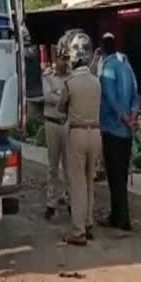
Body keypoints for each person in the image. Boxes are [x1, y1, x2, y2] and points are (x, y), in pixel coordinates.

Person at [58, 32, 101, 246]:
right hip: (96, 133)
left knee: (77, 185)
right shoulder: (97, 82)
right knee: (89, 182)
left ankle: (78, 230)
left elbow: (60, 107)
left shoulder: (69, 83)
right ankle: (89, 222)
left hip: (76, 133)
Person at [98, 32, 140, 231]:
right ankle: (119, 216)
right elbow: (135, 95)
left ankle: (120, 219)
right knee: (121, 176)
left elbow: (110, 96)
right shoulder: (127, 66)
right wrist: (132, 117)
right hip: (127, 132)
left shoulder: (107, 67)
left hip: (112, 129)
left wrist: (123, 118)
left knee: (115, 177)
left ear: (103, 49)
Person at [42, 46, 70, 220]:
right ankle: (51, 202)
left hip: (66, 124)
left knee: (69, 167)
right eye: (61, 58)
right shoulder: (48, 78)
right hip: (51, 123)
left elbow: (69, 97)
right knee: (53, 167)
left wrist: (58, 95)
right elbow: (47, 97)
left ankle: (69, 200)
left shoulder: (70, 79)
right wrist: (63, 97)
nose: (63, 62)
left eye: (66, 59)